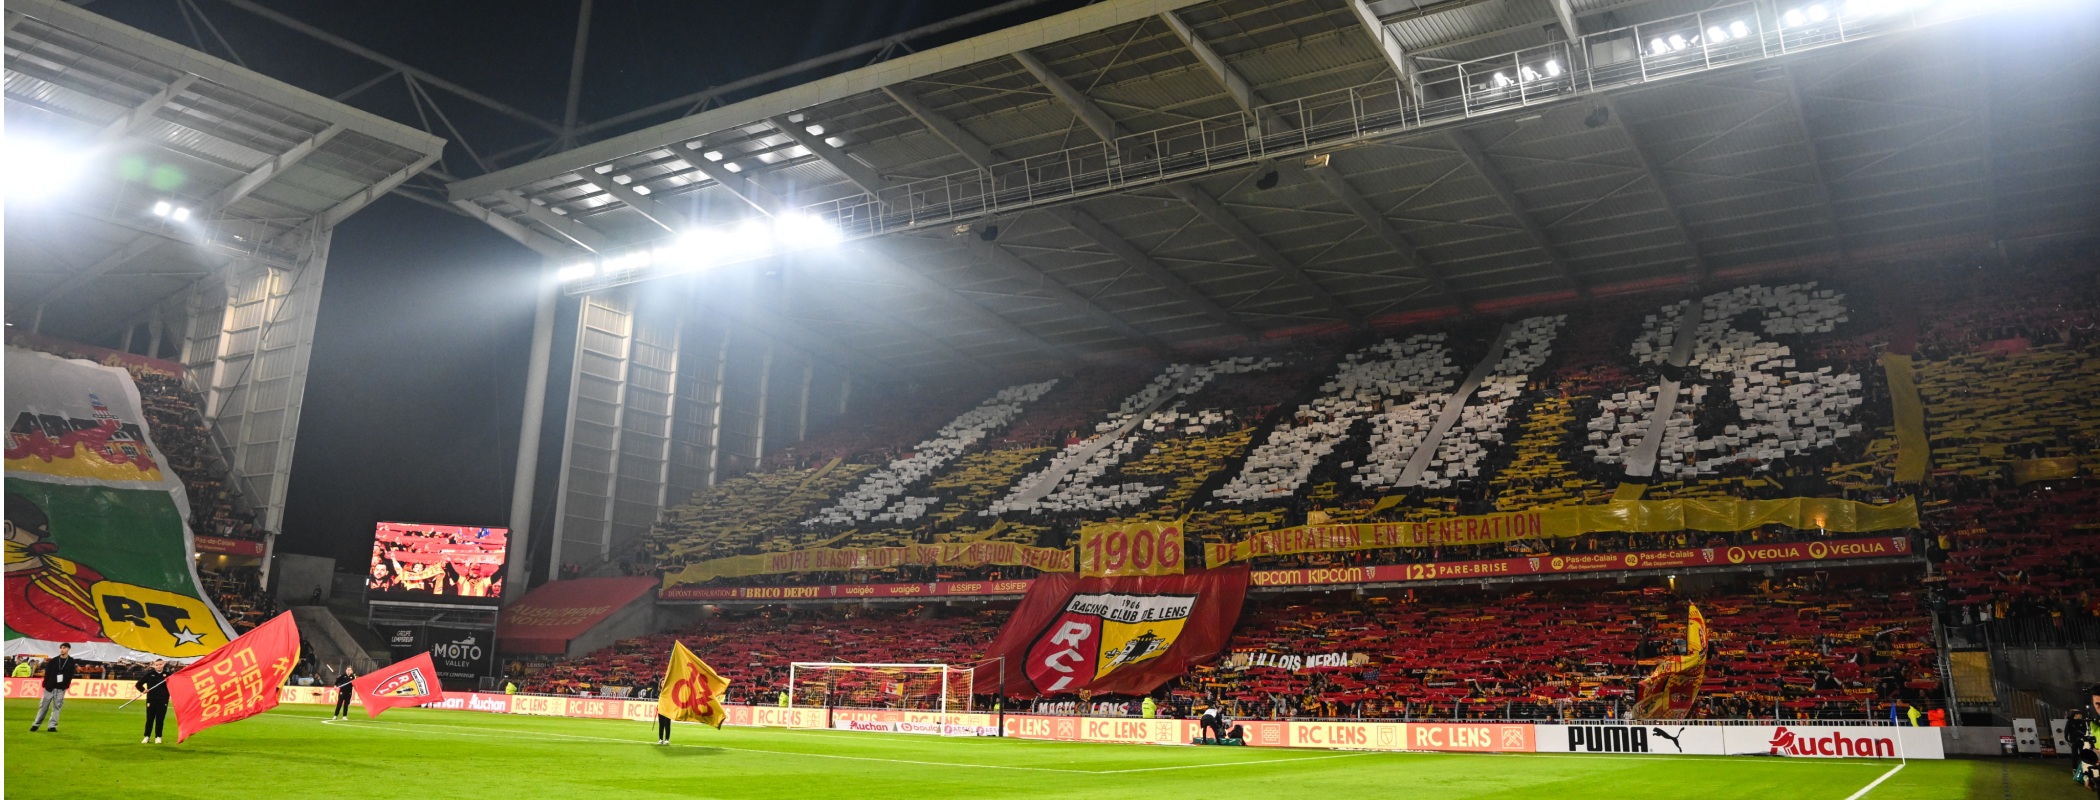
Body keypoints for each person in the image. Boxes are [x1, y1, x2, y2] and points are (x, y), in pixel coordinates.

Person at [30, 643, 77, 732]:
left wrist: (65, 686)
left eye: (64, 648)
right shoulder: (54, 660)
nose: (62, 649)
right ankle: (36, 724)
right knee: (43, 707)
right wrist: (46, 685)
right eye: (61, 648)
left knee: (57, 708)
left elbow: (71, 675)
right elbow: (47, 673)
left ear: (68, 649)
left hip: (61, 689)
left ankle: (52, 726)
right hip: (49, 688)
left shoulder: (71, 661)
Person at [136, 658, 174, 743]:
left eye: (160, 664)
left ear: (163, 664)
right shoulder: (149, 674)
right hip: (151, 699)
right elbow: (138, 684)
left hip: (163, 700)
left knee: (160, 719)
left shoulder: (168, 675)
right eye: (157, 665)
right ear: (154, 666)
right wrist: (143, 690)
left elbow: (174, 685)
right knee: (150, 719)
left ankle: (158, 737)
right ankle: (147, 736)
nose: (158, 666)